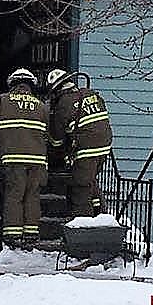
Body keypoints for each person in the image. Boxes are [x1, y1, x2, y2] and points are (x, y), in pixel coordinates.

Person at [0, 68, 48, 249]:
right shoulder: (41, 106)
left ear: (12, 84)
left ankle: (13, 236)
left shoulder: (2, 100)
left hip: (13, 158)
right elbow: (47, 134)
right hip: (38, 161)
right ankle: (31, 234)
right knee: (32, 195)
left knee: (14, 195)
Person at [46, 68, 112, 217]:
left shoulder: (63, 104)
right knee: (89, 179)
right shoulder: (91, 94)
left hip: (86, 148)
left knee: (80, 186)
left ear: (57, 90)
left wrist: (56, 155)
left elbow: (57, 140)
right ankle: (100, 212)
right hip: (104, 145)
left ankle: (83, 221)